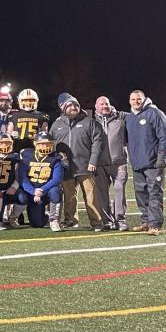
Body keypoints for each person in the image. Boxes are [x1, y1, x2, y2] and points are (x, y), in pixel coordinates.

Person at [49, 93, 108, 231]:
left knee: (91, 195)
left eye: (75, 104)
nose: (73, 107)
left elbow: (97, 143)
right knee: (69, 196)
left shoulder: (89, 122)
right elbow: (50, 144)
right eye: (69, 105)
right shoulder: (57, 124)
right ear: (63, 108)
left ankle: (96, 221)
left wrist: (93, 161)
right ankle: (70, 220)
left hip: (86, 165)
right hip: (65, 167)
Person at [125, 90, 166, 236]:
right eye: (133, 99)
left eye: (138, 99)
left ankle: (154, 225)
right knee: (141, 194)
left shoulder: (155, 113)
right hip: (137, 163)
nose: (136, 102)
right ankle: (146, 221)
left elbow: (165, 137)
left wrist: (161, 159)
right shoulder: (130, 117)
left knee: (154, 193)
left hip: (153, 163)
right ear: (129, 101)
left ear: (144, 99)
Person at [93, 96, 129, 230]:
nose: (104, 106)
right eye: (101, 104)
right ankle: (107, 220)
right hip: (100, 163)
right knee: (102, 192)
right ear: (96, 106)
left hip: (118, 161)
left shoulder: (121, 116)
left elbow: (139, 115)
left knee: (120, 190)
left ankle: (120, 220)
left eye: (107, 103)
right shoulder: (90, 120)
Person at [17, 132, 63, 231]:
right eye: (42, 143)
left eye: (48, 144)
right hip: (32, 192)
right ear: (35, 144)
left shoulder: (55, 157)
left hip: (47, 191)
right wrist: (33, 191)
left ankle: (54, 220)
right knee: (37, 223)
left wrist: (42, 190)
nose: (45, 146)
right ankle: (15, 217)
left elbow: (56, 179)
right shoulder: (27, 155)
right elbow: (22, 177)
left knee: (55, 191)